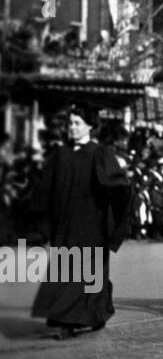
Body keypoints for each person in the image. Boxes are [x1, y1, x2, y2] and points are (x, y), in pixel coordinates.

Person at [29, 106, 132, 340]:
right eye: (70, 123)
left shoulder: (100, 153)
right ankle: (95, 314)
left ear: (90, 126)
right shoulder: (61, 154)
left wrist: (121, 203)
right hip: (65, 222)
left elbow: (117, 187)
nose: (72, 128)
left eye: (77, 123)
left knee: (86, 271)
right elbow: (46, 188)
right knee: (72, 270)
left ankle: (70, 320)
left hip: (91, 223)